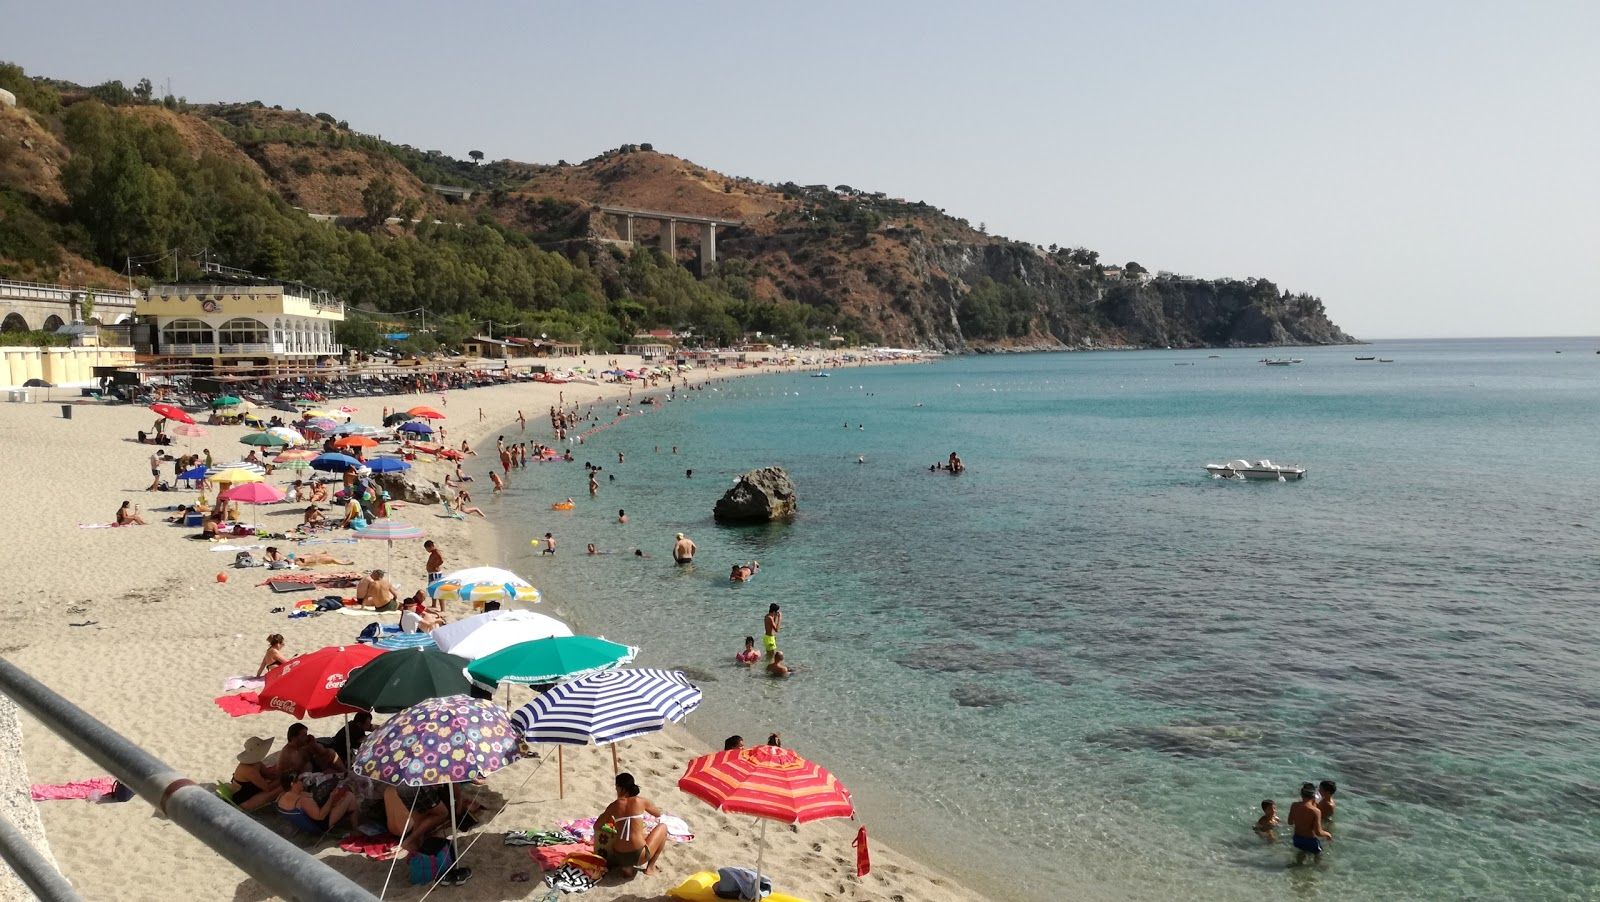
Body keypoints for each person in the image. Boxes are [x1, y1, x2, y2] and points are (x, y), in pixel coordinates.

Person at [594, 773, 668, 877]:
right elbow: (657, 814)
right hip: (639, 855)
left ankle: (627, 868)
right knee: (663, 827)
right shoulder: (640, 801)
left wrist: (612, 820)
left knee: (634, 837)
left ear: (621, 788)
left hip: (619, 856)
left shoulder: (614, 805)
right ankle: (650, 868)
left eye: (616, 788)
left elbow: (596, 826)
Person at [276, 772, 357, 832]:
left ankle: (350, 820)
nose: (302, 782)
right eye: (299, 780)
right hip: (321, 825)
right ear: (292, 784)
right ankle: (355, 828)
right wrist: (331, 798)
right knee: (350, 796)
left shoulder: (281, 797)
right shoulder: (302, 801)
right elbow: (321, 816)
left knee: (338, 798)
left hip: (305, 824)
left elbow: (313, 796)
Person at [227, 737, 282, 812]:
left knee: (282, 783)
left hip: (252, 789)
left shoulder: (257, 763)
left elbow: (268, 775)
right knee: (279, 789)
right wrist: (282, 779)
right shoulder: (249, 770)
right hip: (242, 799)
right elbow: (267, 788)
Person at [1288, 783, 1333, 865]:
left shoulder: (1294, 805)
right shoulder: (1316, 811)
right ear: (1314, 796)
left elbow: (1290, 822)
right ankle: (1317, 870)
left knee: (1302, 851)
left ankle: (1298, 865)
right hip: (1310, 841)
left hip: (1297, 839)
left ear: (1301, 794)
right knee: (1318, 855)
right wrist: (1327, 834)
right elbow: (1318, 832)